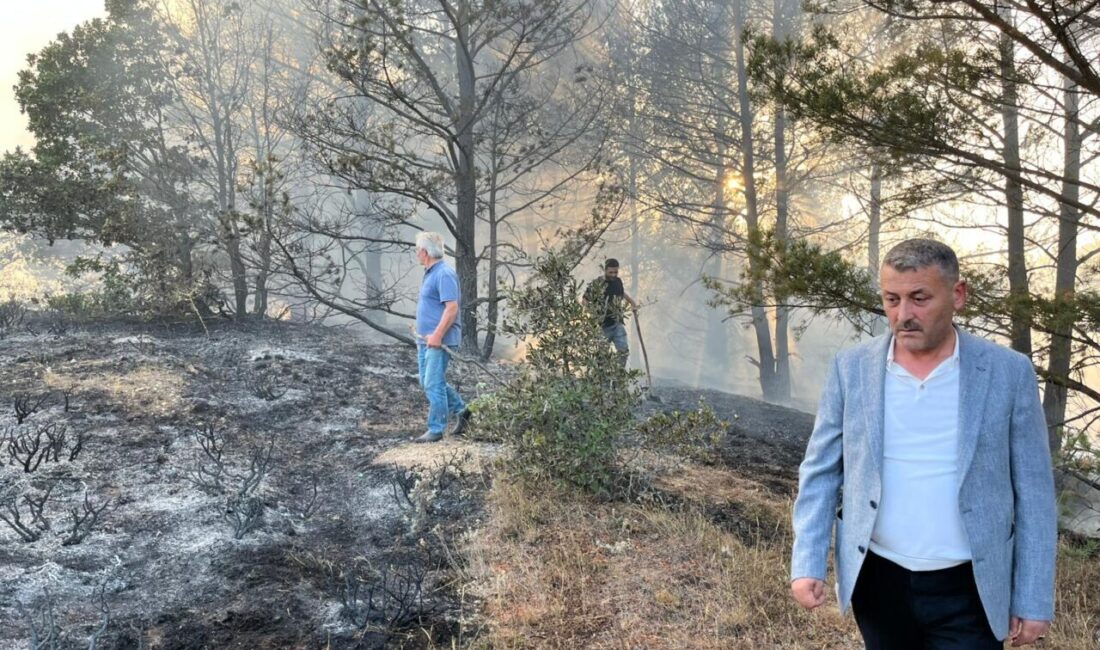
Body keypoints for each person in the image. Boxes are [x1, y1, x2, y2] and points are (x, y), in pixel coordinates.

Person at [790, 238, 1056, 649]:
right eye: (891, 299)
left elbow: (1035, 492)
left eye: (919, 298)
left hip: (973, 588)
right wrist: (807, 560)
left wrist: (1033, 596)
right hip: (878, 582)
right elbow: (821, 469)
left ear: (958, 295)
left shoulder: (1008, 372)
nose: (903, 315)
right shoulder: (852, 368)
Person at [412, 231, 471, 443]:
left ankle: (436, 429)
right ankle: (463, 411)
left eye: (418, 250)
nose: (417, 254)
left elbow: (452, 308)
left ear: (425, 252)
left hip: (440, 341)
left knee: (432, 383)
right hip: (425, 340)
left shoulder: (444, 273)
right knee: (428, 382)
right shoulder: (430, 272)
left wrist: (437, 335)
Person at [584, 258, 638, 359]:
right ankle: (600, 374)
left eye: (616, 272)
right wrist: (591, 314)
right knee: (601, 356)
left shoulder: (618, 281)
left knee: (623, 352)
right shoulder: (597, 283)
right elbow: (585, 300)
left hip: (617, 323)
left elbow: (621, 293)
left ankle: (619, 374)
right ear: (605, 270)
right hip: (602, 327)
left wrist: (632, 302)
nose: (613, 274)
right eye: (611, 272)